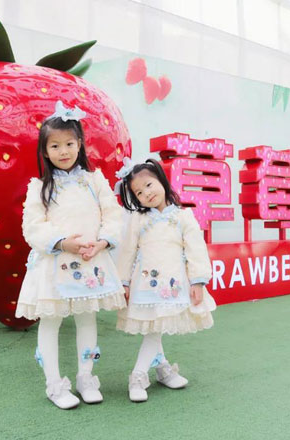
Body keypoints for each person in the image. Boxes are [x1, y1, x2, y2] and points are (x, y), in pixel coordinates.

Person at [15, 101, 126, 409]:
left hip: (91, 261)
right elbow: (32, 226)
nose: (63, 151)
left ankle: (86, 378)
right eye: (55, 146)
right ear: (45, 150)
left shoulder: (95, 180)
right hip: (54, 265)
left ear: (80, 144)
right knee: (50, 322)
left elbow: (113, 215)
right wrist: (62, 243)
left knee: (87, 320)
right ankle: (54, 385)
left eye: (69, 144)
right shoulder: (39, 187)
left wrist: (102, 242)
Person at [115, 158, 216, 402]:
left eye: (149, 185)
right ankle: (138, 376)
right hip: (145, 287)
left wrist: (198, 281)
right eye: (139, 193)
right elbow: (127, 251)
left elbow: (196, 249)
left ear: (161, 180)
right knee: (155, 328)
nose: (146, 194)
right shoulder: (138, 219)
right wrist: (123, 282)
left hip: (173, 285)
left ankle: (161, 369)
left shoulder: (183, 217)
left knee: (157, 326)